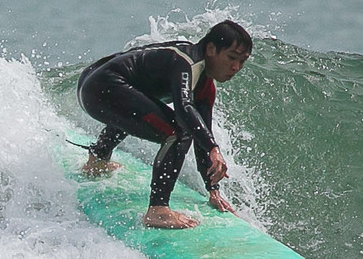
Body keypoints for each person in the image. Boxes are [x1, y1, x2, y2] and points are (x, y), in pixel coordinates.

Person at [77, 20, 253, 229]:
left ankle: (97, 161)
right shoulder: (187, 63)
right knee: (179, 132)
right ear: (211, 49)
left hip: (94, 84)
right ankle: (158, 210)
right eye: (232, 58)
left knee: (141, 109)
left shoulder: (205, 83)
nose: (236, 67)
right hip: (100, 87)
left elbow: (202, 132)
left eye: (242, 61)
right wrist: (214, 148)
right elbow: (183, 109)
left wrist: (212, 189)